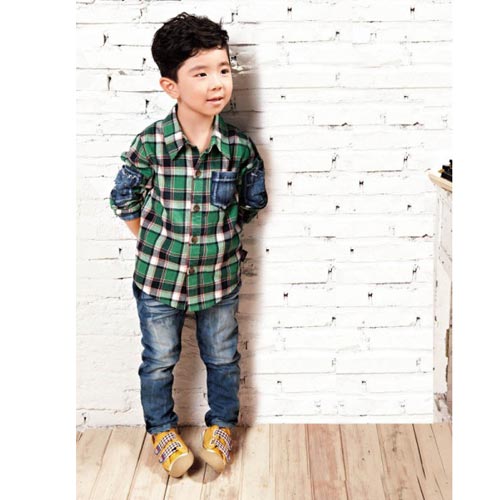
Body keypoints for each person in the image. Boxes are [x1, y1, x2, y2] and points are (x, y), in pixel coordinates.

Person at [109, 12, 268, 477]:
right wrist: (157, 242)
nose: (217, 83)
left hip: (219, 279)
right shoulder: (151, 144)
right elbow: (124, 198)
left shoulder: (239, 149)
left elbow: (251, 202)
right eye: (200, 74)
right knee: (159, 361)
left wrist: (217, 240)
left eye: (223, 69)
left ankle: (222, 425)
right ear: (171, 86)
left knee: (223, 358)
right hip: (159, 281)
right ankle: (161, 429)